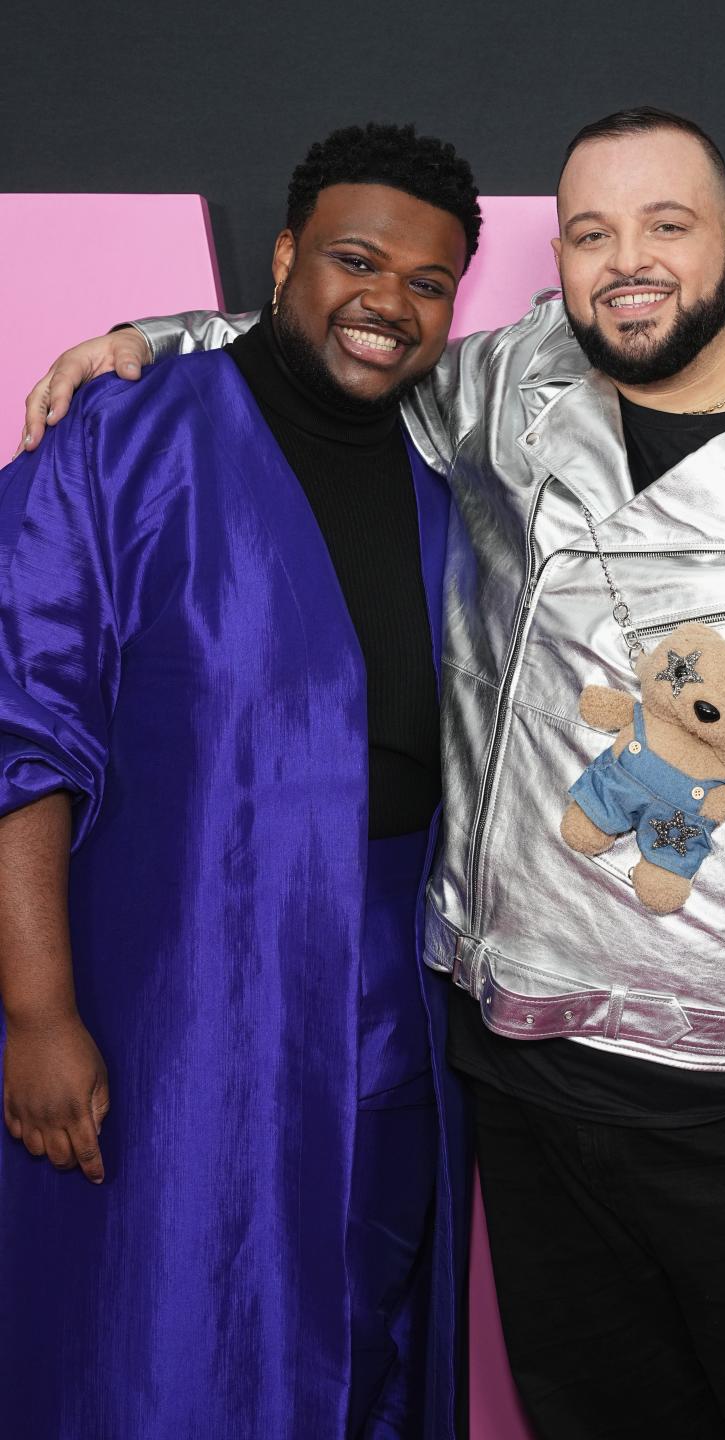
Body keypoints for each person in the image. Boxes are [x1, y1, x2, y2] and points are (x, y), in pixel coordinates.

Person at [20, 107, 725, 1438]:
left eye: (667, 226)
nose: (627, 261)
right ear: (558, 262)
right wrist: (149, 345)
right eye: (590, 233)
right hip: (529, 1089)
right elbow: (326, 351)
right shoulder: (512, 392)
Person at [0, 122, 482, 1440]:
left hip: (393, 994)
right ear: (284, 257)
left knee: (361, 1330)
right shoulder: (122, 438)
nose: (388, 302)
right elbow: (17, 730)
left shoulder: (452, 475)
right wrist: (39, 1009)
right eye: (355, 261)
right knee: (159, 1333)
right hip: (171, 991)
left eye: (428, 283)